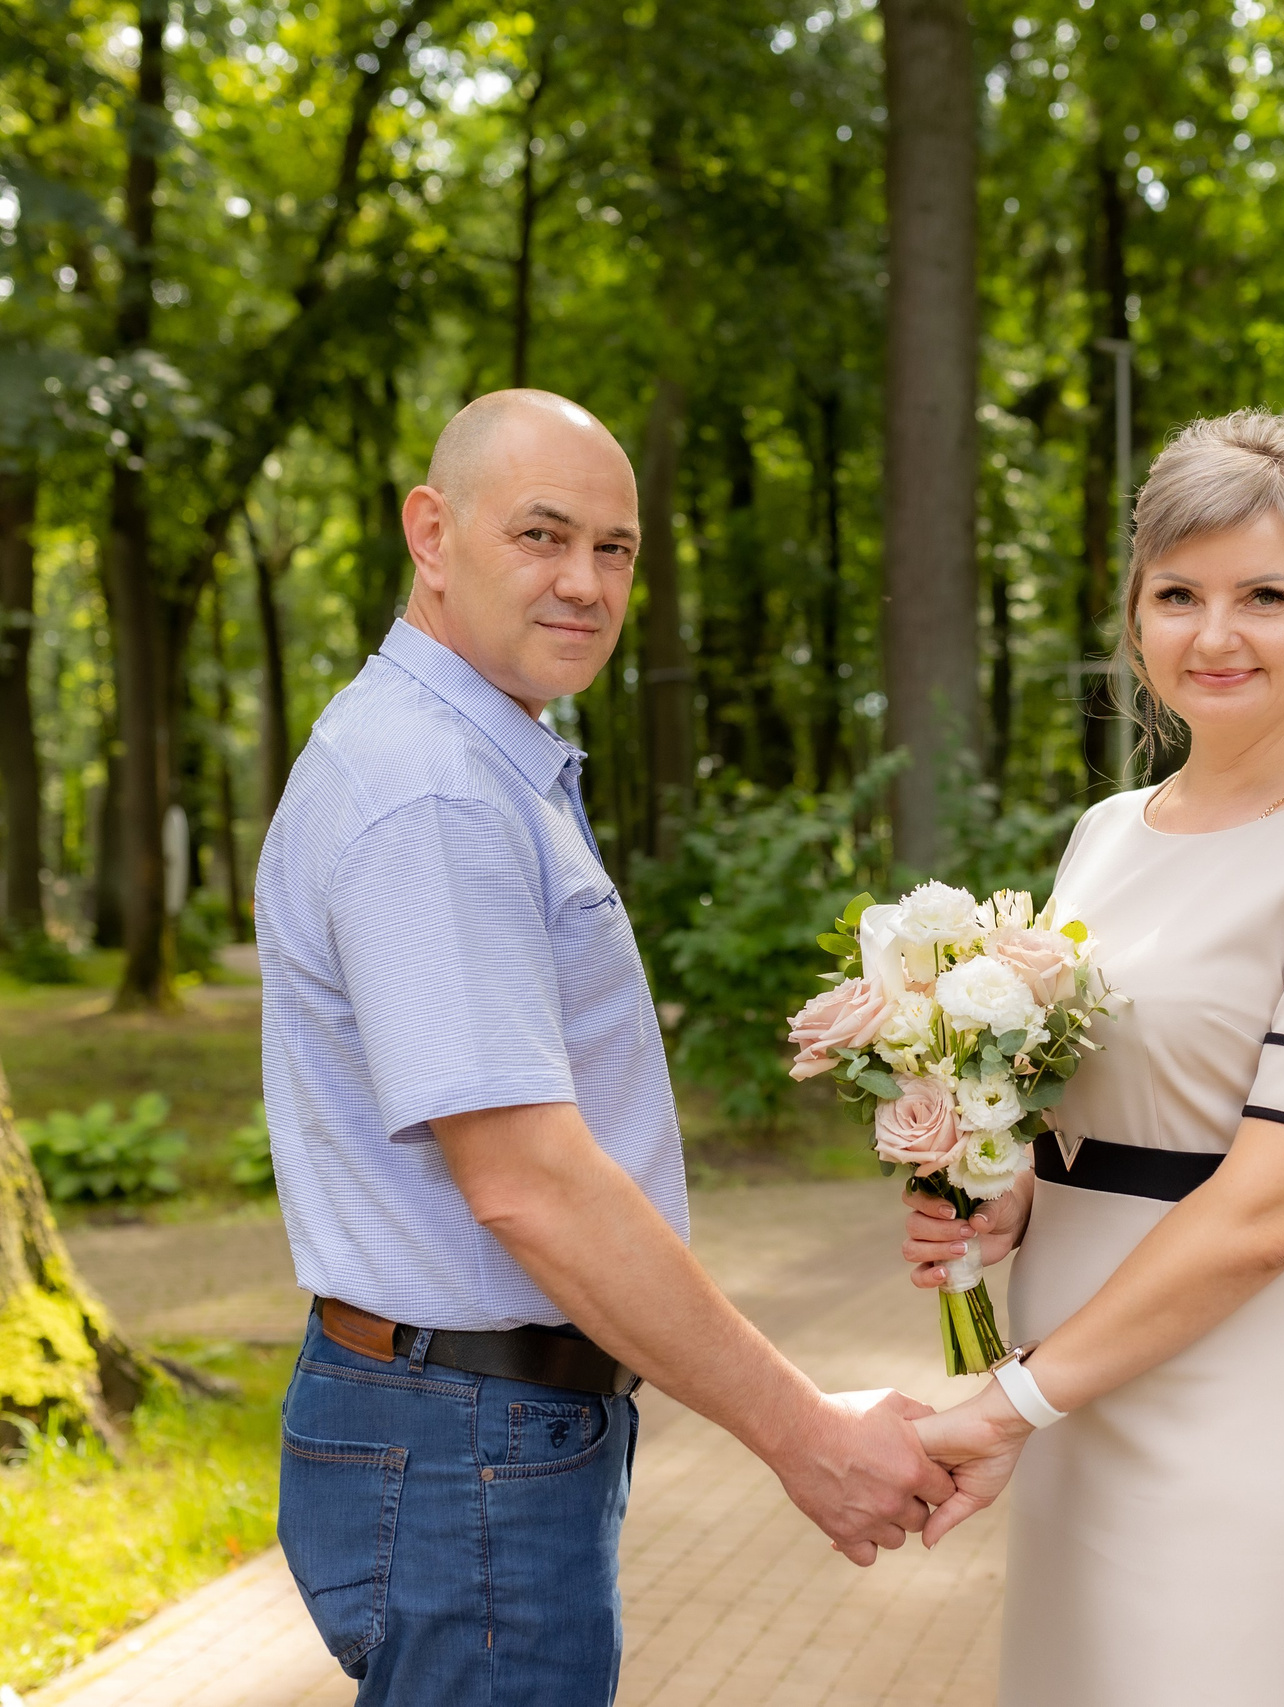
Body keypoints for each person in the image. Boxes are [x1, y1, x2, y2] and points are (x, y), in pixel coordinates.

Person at [257, 389, 952, 1704]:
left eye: (615, 548)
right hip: (465, 1444)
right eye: (542, 535)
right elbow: (527, 1178)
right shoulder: (433, 790)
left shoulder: (479, 755)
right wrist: (805, 1435)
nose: (583, 581)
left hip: (478, 1430)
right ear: (431, 531)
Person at [900, 410, 1284, 1706]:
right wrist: (997, 1196)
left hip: (1246, 1431)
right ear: (1135, 613)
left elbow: (1269, 1213)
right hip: (1075, 1423)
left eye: (1264, 595)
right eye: (1179, 596)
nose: (1215, 636)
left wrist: (1009, 1404)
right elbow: (1108, 1114)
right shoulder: (1105, 834)